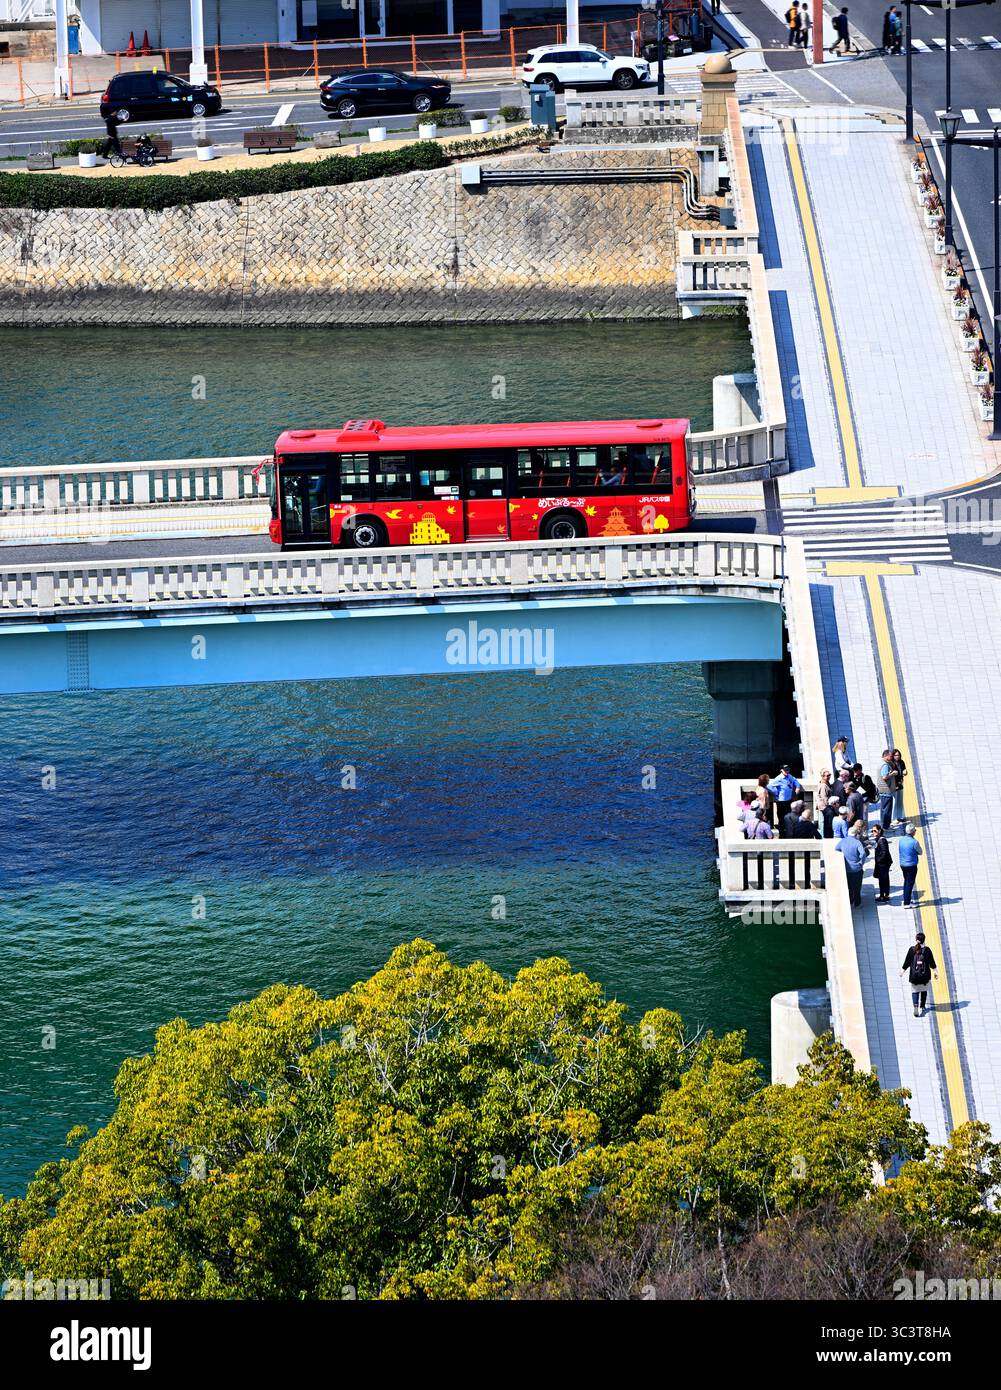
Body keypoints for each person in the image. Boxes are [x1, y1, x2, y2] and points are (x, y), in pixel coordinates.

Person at [902, 931, 938, 1017]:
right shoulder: (927, 950)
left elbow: (907, 962)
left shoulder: (912, 950)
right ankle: (922, 1006)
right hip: (925, 977)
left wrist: (902, 971)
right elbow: (932, 963)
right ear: (924, 940)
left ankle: (915, 1006)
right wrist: (936, 972)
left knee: (915, 991)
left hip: (914, 977)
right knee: (924, 990)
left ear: (916, 940)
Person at [769, 764, 803, 837]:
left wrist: (797, 787)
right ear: (781, 770)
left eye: (788, 770)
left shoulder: (789, 776)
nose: (787, 771)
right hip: (781, 801)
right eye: (785, 770)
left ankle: (788, 832)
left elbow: (795, 780)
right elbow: (769, 786)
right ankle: (781, 833)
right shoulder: (778, 778)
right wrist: (776, 792)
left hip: (788, 800)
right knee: (781, 818)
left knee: (788, 817)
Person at [837, 831, 868, 906]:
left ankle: (850, 900)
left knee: (849, 887)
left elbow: (836, 849)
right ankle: (857, 903)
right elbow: (863, 853)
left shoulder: (843, 841)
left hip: (847, 869)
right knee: (857, 887)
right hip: (857, 869)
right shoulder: (857, 843)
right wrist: (861, 862)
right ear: (856, 834)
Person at [898, 823, 922, 907]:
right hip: (911, 865)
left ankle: (907, 898)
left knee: (906, 881)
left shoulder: (901, 840)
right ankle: (907, 903)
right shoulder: (914, 842)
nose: (915, 831)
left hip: (903, 864)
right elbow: (920, 852)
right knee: (910, 883)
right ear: (912, 832)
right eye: (915, 830)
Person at [875, 748, 898, 832]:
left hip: (882, 789)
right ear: (886, 756)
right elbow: (885, 777)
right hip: (886, 790)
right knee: (887, 809)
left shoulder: (882, 763)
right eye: (891, 756)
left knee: (883, 808)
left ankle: (883, 824)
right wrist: (893, 773)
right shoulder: (885, 765)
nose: (892, 757)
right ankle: (885, 827)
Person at [873, 825, 892, 902]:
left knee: (883, 880)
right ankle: (884, 895)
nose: (873, 832)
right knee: (883, 879)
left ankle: (884, 896)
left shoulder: (882, 840)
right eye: (872, 831)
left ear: (879, 831)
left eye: (875, 831)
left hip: (883, 864)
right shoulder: (879, 839)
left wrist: (878, 860)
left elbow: (885, 852)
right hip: (882, 863)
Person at [891, 749, 908, 825]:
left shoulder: (901, 762)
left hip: (900, 783)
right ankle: (894, 818)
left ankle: (901, 816)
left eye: (898, 755)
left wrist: (905, 772)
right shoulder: (891, 764)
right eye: (896, 755)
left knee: (900, 800)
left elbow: (904, 769)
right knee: (895, 801)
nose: (897, 757)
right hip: (894, 784)